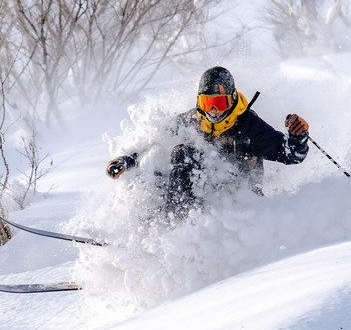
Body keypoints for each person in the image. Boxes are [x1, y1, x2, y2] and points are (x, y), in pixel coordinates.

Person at [105, 66, 310, 217]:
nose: (214, 111)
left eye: (219, 103)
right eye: (207, 103)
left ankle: (181, 227)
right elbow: (156, 140)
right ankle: (149, 230)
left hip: (239, 203)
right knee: (153, 175)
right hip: (201, 197)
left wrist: (297, 137)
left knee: (185, 154)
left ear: (231, 100)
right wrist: (128, 159)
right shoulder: (192, 120)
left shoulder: (249, 126)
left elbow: (291, 155)